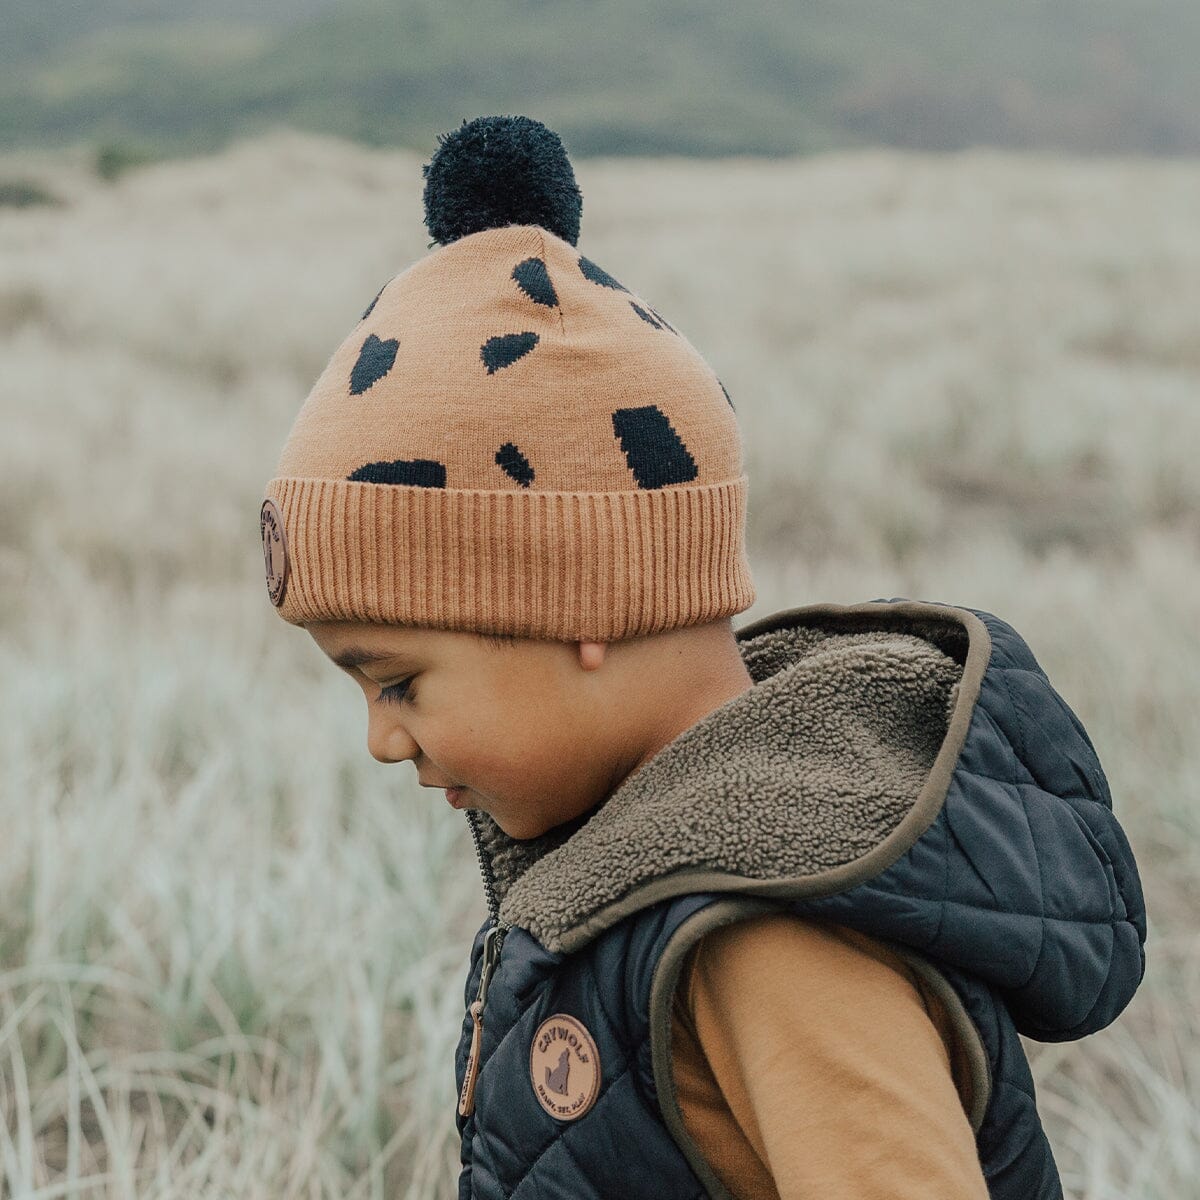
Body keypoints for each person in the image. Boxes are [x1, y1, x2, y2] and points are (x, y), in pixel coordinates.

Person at [258, 114, 1147, 1199]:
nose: (381, 740)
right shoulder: (646, 866)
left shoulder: (770, 942)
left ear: (580, 597)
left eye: (398, 681)